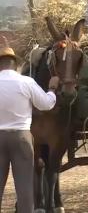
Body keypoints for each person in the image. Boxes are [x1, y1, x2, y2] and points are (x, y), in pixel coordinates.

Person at [0, 37, 59, 212]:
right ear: (15, 64)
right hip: (21, 137)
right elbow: (46, 104)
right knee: (25, 186)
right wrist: (52, 89)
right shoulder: (26, 82)